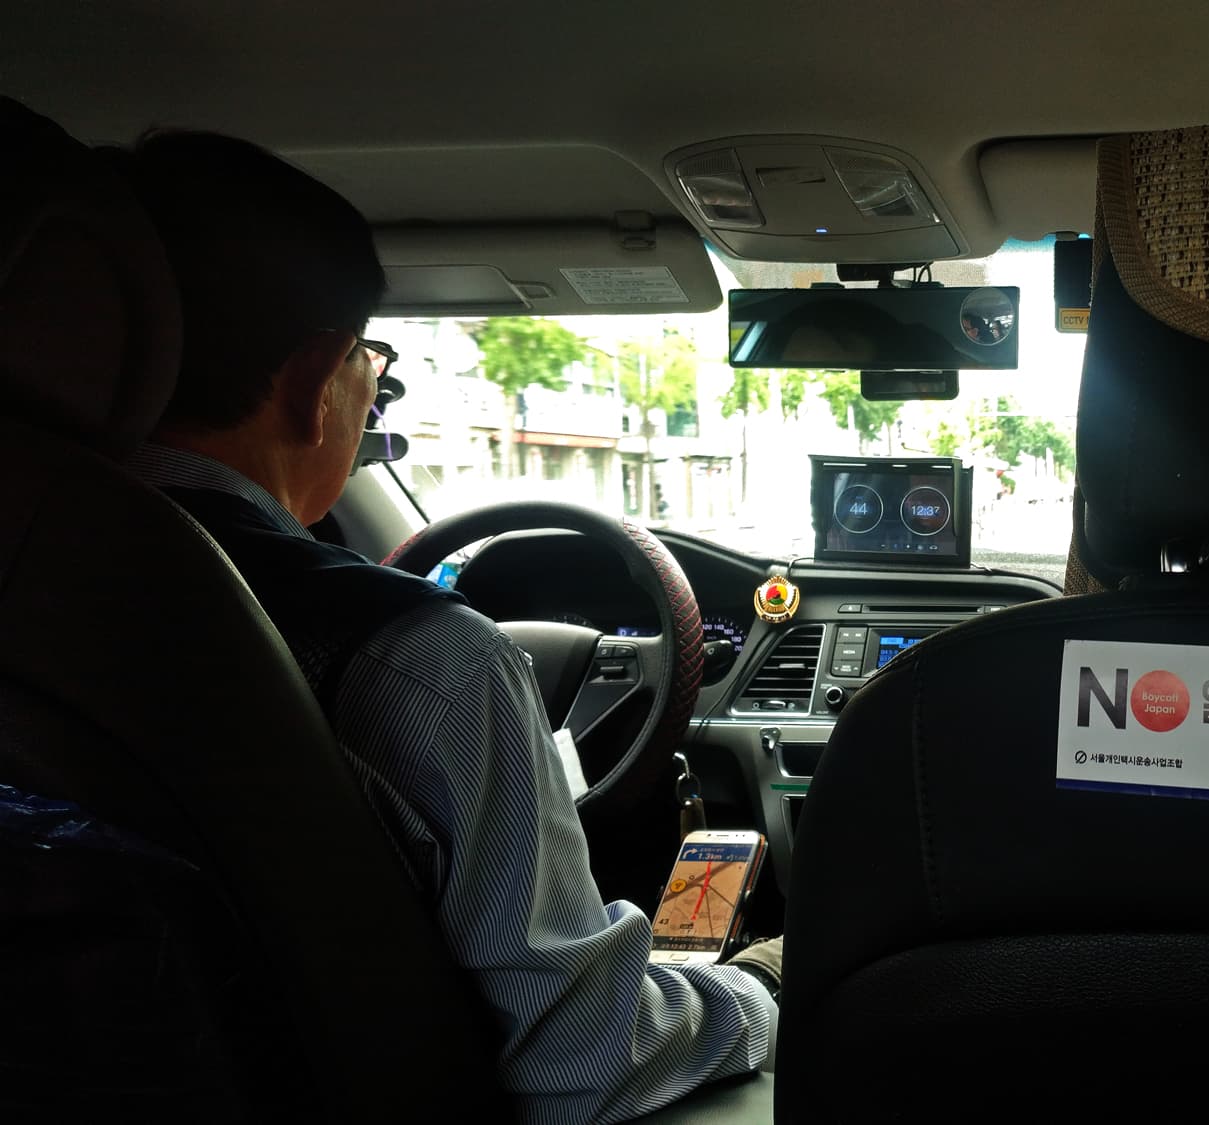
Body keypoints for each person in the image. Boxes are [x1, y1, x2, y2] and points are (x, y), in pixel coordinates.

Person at [118, 129, 781, 1121]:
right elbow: (580, 1064)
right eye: (367, 361)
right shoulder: (428, 663)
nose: (368, 386)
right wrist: (759, 989)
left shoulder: (41, 586)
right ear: (311, 384)